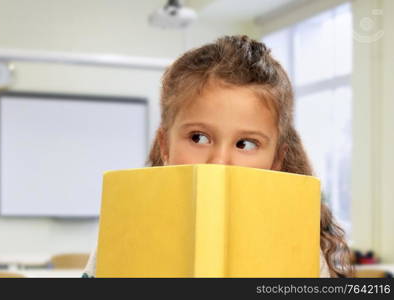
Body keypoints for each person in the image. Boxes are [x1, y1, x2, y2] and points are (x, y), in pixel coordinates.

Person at [82, 35, 353, 278]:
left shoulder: (299, 245)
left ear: (276, 160)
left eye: (246, 143)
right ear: (165, 146)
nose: (220, 161)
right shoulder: (124, 234)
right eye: (198, 137)